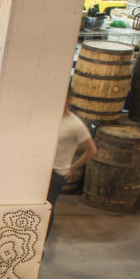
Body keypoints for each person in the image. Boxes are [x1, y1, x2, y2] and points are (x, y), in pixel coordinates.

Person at [47, 98, 96, 234]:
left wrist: (71, 168)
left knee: (47, 211)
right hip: (43, 169)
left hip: (57, 173)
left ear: (68, 99)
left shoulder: (75, 125)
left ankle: (40, 249)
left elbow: (91, 150)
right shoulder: (50, 117)